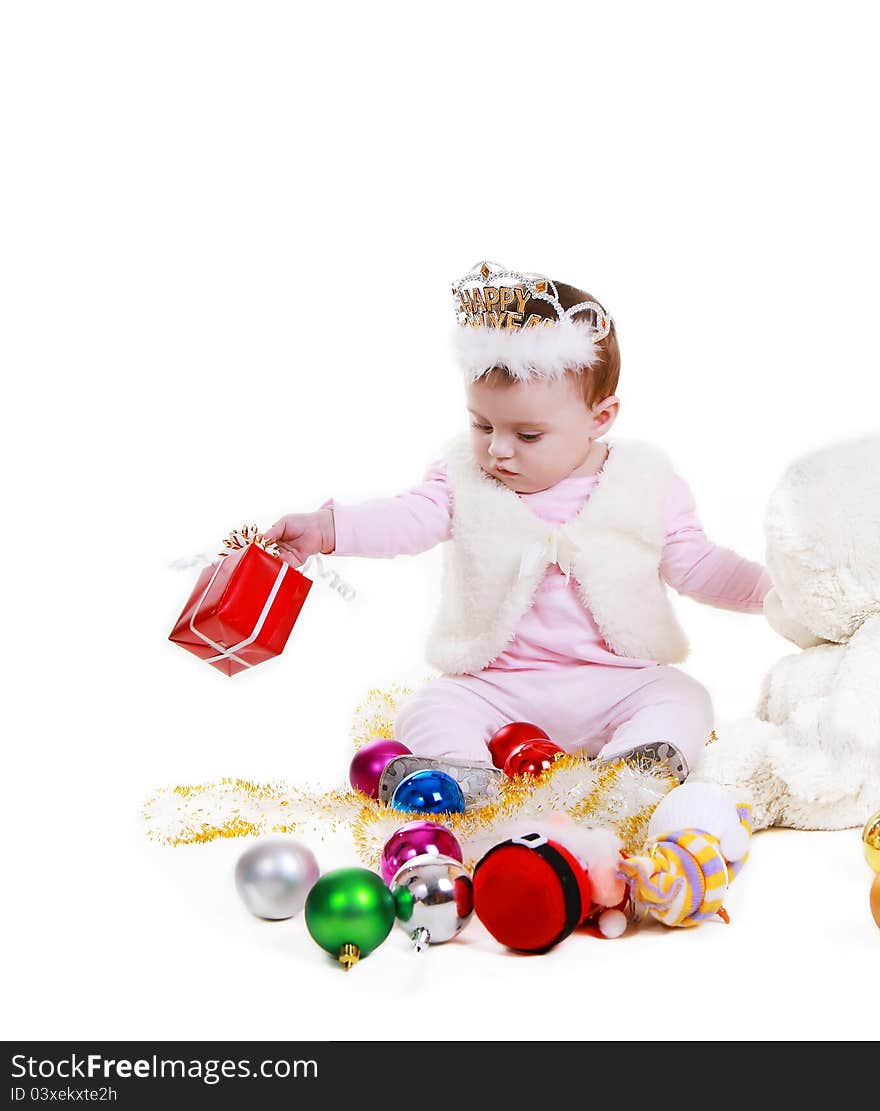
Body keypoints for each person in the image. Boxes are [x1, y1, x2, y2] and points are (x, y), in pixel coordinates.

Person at [266, 261, 771, 785]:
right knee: (432, 706)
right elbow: (407, 518)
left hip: (616, 682)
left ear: (600, 418)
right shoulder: (461, 477)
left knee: (682, 696)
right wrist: (328, 529)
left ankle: (633, 771)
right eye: (481, 424)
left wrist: (779, 592)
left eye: (528, 435)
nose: (498, 450)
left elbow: (699, 565)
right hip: (496, 685)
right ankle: (461, 775)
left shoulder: (646, 482)